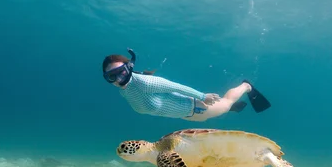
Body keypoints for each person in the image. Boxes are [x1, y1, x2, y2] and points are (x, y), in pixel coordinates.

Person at [102, 49, 271, 122]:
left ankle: (245, 86)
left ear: (129, 68)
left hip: (196, 107)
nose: (118, 79)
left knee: (225, 104)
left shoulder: (145, 83)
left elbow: (175, 87)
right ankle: (227, 108)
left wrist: (203, 96)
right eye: (111, 77)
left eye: (121, 72)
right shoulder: (124, 91)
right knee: (213, 114)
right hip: (184, 113)